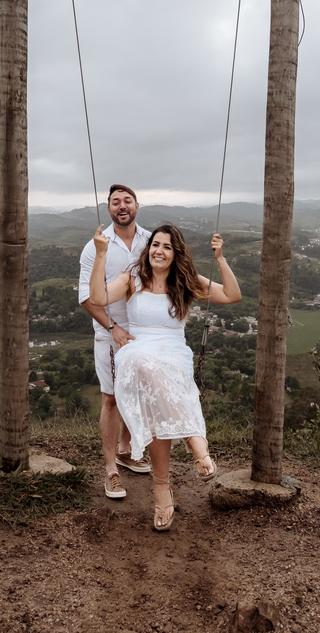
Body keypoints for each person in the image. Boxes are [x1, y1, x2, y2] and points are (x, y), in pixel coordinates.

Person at [89, 222, 241, 531]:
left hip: (173, 353)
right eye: (156, 244)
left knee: (159, 401)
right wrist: (101, 253)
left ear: (175, 254)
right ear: (149, 249)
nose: (159, 250)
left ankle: (162, 490)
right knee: (142, 361)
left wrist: (221, 258)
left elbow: (231, 295)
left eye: (167, 247)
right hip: (139, 347)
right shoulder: (133, 279)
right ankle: (194, 441)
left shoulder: (184, 281)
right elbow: (97, 297)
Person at [78, 184, 152, 500]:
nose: (122, 206)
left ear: (137, 205)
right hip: (109, 334)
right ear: (108, 209)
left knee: (136, 394)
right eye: (115, 202)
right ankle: (111, 470)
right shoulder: (95, 246)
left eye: (127, 200)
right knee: (110, 398)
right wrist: (114, 328)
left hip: (146, 332)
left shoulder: (152, 242)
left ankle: (126, 450)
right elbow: (86, 297)